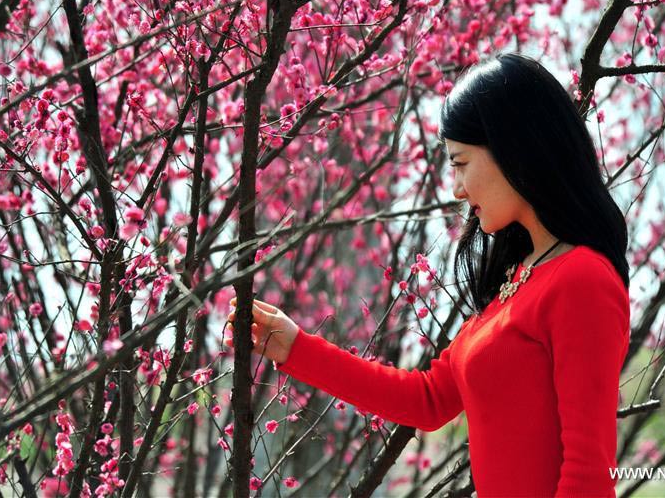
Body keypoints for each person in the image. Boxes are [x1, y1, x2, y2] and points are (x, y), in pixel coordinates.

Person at [226, 53, 631, 497]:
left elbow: (589, 475)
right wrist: (297, 347)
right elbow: (427, 399)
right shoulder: (522, 278)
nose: (456, 188)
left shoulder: (582, 281)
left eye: (460, 163)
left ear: (514, 149)